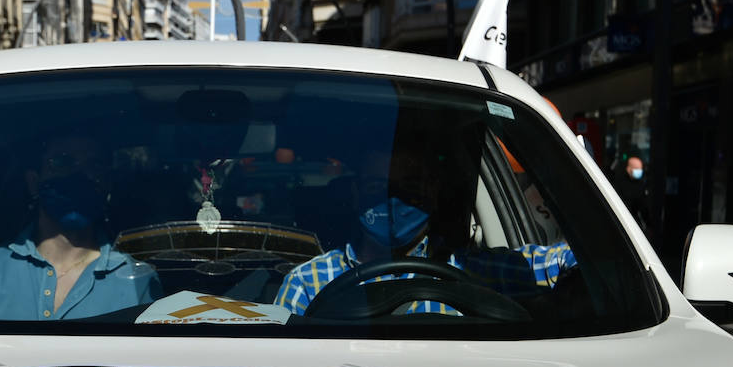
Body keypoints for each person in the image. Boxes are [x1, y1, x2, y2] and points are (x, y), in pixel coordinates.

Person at [274, 145, 576, 316]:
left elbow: (576, 259)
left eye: (410, 188)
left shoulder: (474, 271)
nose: (394, 200)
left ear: (432, 193)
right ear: (355, 193)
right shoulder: (307, 283)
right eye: (378, 187)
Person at [0, 132, 161, 320]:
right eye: (62, 162)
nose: (79, 176)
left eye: (94, 165)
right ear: (34, 182)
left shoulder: (137, 280)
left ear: (107, 183)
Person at [613, 155, 649, 233]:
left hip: (635, 224)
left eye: (640, 169)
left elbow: (644, 208)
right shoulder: (620, 184)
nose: (639, 171)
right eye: (636, 168)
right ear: (628, 169)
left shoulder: (642, 185)